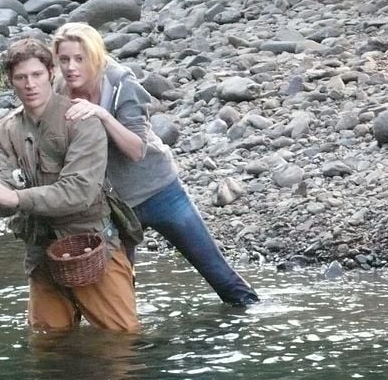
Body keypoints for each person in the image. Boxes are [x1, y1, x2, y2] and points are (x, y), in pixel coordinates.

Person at [50, 22, 259, 308]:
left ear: (95, 56)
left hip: (161, 192)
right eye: (64, 59)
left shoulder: (122, 84)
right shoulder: (59, 90)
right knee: (121, 297)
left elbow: (136, 150)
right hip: (115, 207)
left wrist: (102, 115)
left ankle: (255, 322)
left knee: (220, 276)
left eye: (79, 58)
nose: (71, 67)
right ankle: (134, 350)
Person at [0, 38, 139, 333]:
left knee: (124, 341)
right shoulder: (5, 132)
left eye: (36, 75)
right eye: (21, 78)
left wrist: (17, 198)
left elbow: (79, 192)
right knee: (48, 347)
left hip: (94, 248)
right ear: (11, 81)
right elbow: (2, 197)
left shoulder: (82, 121)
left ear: (50, 73)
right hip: (41, 253)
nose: (29, 84)